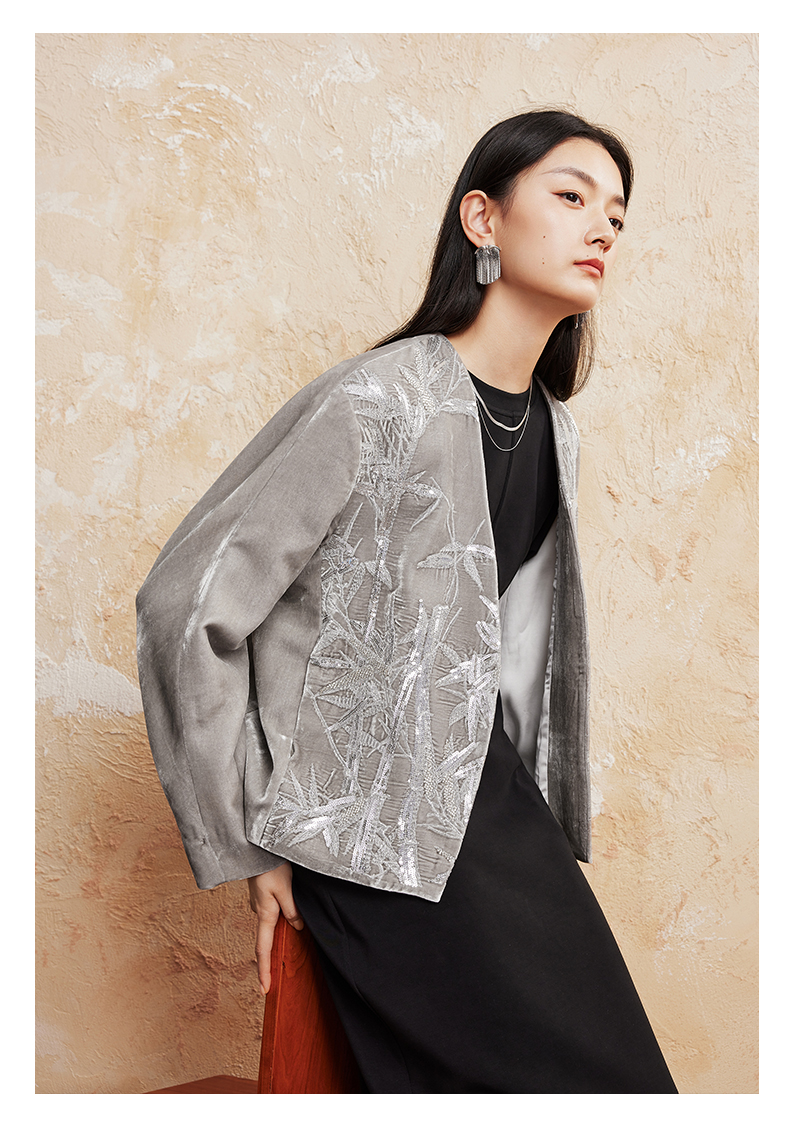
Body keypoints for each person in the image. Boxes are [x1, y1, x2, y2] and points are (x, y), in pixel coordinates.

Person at [136, 109, 678, 1093]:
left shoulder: (555, 429)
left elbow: (501, 651)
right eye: (570, 196)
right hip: (370, 839)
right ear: (483, 218)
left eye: (615, 214)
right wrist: (252, 838)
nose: (601, 226)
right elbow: (188, 599)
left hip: (500, 818)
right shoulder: (376, 401)